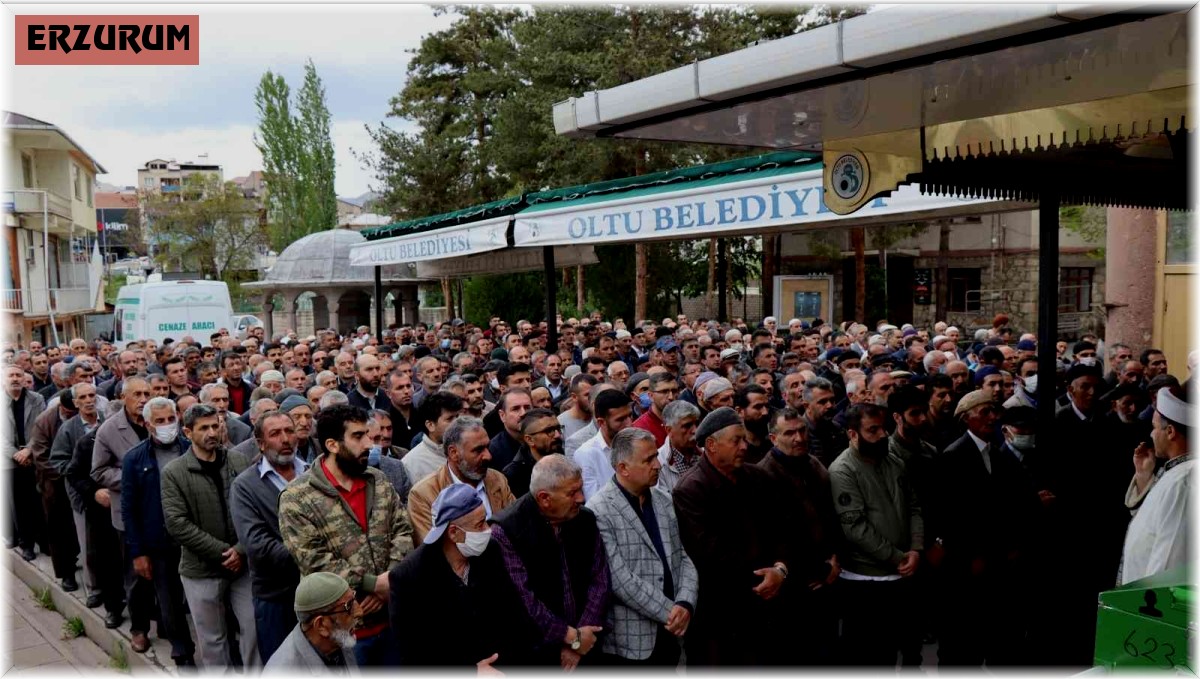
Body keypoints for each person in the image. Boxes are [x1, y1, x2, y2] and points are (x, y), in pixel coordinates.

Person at [278, 404, 413, 667]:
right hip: (344, 633)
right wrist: (373, 584)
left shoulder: (379, 481)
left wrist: (389, 581)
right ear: (332, 444)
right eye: (358, 437)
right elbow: (314, 561)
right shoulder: (297, 498)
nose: (368, 445)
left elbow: (403, 530)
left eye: (368, 435)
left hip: (393, 620)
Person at [671, 407, 794, 666]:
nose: (744, 446)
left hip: (766, 605)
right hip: (719, 614)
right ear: (711, 445)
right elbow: (708, 552)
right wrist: (763, 576)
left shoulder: (756, 476)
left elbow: (781, 528)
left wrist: (780, 570)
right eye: (736, 441)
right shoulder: (691, 489)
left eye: (744, 439)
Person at [933, 390, 1040, 667]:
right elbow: (951, 516)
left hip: (999, 563)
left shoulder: (998, 455)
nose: (992, 417)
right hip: (968, 567)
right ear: (966, 419)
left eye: (993, 411)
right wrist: (971, 556)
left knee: (999, 639)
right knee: (963, 644)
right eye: (984, 412)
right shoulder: (953, 457)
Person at [586, 428, 698, 666]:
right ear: (623, 468)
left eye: (656, 456)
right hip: (632, 644)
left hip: (672, 633)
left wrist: (686, 603)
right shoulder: (600, 510)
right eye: (648, 460)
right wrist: (672, 612)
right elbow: (620, 579)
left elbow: (683, 558)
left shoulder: (663, 499)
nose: (657, 465)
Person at [490, 455, 611, 669]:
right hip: (536, 655)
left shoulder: (584, 519)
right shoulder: (507, 531)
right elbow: (525, 601)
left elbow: (600, 579)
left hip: (588, 645)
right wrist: (570, 637)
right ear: (545, 498)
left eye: (580, 489)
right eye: (572, 493)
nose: (582, 498)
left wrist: (581, 638)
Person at [161, 404, 257, 670]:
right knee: (213, 639)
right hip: (201, 569)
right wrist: (223, 553)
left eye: (215, 426)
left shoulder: (237, 460)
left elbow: (254, 511)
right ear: (187, 432)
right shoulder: (175, 472)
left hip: (243, 565)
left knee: (253, 627)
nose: (212, 432)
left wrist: (240, 550)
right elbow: (178, 524)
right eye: (204, 428)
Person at [389, 484, 526, 668]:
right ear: (453, 532)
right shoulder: (409, 577)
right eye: (479, 525)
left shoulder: (489, 551)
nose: (487, 529)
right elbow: (414, 653)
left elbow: (512, 615)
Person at [829, 403, 923, 667]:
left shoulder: (894, 461)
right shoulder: (843, 470)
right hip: (867, 581)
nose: (882, 435)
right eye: (873, 430)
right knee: (870, 656)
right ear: (853, 434)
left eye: (883, 428)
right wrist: (897, 557)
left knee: (902, 650)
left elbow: (914, 506)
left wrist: (916, 548)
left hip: (903, 573)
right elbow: (855, 527)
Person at [756, 408, 841, 664]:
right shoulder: (764, 474)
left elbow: (831, 517)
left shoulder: (813, 464)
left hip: (827, 578)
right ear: (773, 438)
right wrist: (816, 570)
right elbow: (777, 537)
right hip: (792, 588)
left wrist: (834, 561)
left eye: (802, 430)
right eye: (789, 433)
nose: (799, 438)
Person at [120, 397, 196, 667]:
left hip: (195, 537)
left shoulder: (191, 448)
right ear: (148, 425)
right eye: (159, 422)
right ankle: (182, 650)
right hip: (160, 541)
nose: (166, 426)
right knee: (170, 599)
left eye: (170, 419)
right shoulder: (134, 459)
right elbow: (129, 509)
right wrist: (138, 552)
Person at [230, 411, 309, 663]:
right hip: (277, 595)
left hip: (319, 589)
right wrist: (312, 555)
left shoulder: (314, 472)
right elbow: (256, 544)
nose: (285, 439)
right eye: (275, 433)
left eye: (289, 431)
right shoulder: (245, 486)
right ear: (261, 444)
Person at [1121, 387, 1191, 584]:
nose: (1152, 434)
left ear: (1170, 432)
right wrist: (1144, 476)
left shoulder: (1184, 482)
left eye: (1154, 427)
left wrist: (1146, 609)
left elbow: (1169, 562)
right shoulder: (1176, 472)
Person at [408, 416, 516, 543]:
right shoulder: (424, 494)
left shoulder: (496, 479)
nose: (488, 456)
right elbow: (433, 551)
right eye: (478, 450)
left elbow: (515, 527)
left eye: (487, 447)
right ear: (454, 453)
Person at [263, 572, 362, 674]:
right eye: (348, 606)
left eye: (354, 598)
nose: (360, 611)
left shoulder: (339, 639)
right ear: (321, 625)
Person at [2, 365, 47, 564]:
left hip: (33, 455)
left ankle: (43, 540)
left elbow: (41, 427)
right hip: (9, 461)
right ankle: (26, 544)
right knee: (18, 505)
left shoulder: (37, 399)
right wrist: (16, 455)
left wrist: (28, 450)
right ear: (3, 379)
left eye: (18, 375)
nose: (15, 379)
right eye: (10, 375)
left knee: (37, 502)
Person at [575, 390, 635, 501]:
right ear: (601, 422)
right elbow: (594, 502)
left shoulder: (639, 443)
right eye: (620, 420)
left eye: (630, 416)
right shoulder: (586, 454)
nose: (629, 424)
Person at [402, 392, 464, 485]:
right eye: (450, 419)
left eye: (457, 417)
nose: (457, 423)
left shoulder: (469, 449)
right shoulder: (411, 464)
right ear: (430, 425)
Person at [504, 408, 565, 498]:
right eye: (549, 431)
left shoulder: (564, 458)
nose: (557, 435)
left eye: (558, 429)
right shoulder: (514, 476)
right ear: (529, 440)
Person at [655, 400, 701, 495]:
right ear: (669, 430)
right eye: (687, 426)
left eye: (696, 423)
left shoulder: (707, 453)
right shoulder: (658, 462)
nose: (695, 430)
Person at [488, 388, 533, 472]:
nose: (523, 413)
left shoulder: (541, 439)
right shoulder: (494, 451)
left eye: (527, 408)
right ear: (502, 415)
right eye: (516, 409)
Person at [631, 372, 678, 448]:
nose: (671, 397)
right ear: (651, 396)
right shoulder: (639, 429)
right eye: (664, 391)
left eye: (674, 391)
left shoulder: (685, 420)